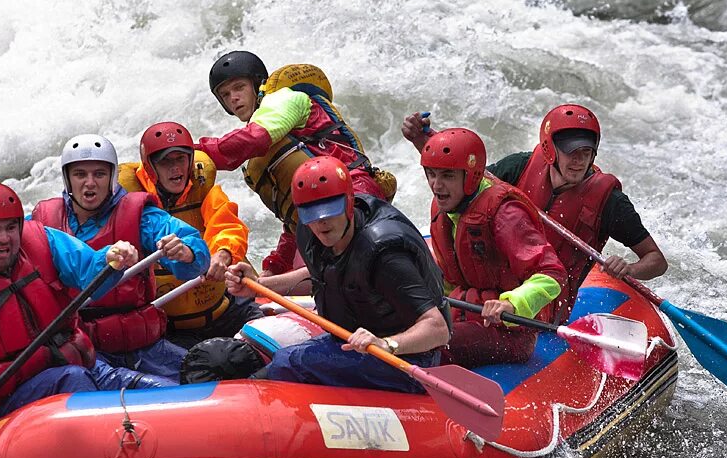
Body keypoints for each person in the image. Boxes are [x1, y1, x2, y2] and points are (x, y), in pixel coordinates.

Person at [0, 183, 176, 455]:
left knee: (166, 394)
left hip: (85, 370)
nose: (4, 238)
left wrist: (110, 258)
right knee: (72, 379)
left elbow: (91, 274)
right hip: (15, 402)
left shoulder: (43, 241)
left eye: (10, 228)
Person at [403, 105, 667, 323]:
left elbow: (656, 260)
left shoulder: (610, 202)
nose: (578, 160)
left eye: (585, 153)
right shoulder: (519, 166)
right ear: (550, 149)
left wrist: (629, 268)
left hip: (543, 298)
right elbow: (466, 184)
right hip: (493, 282)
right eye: (570, 152)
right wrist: (424, 142)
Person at [224, 156, 450, 393]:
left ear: (349, 203)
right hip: (352, 340)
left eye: (329, 211)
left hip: (405, 358)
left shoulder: (385, 254)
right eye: (312, 213)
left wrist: (386, 344)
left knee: (290, 364)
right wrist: (260, 284)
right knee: (271, 362)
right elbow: (323, 275)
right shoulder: (311, 232)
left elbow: (437, 328)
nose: (321, 222)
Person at [197, 52, 396, 275]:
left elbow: (255, 139)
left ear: (256, 83)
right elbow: (298, 214)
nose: (233, 97)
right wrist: (276, 266)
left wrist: (191, 152)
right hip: (328, 214)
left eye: (239, 87)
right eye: (225, 94)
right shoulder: (268, 145)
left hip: (357, 199)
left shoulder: (285, 98)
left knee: (345, 273)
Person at [30, 134, 210, 381]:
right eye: (80, 174)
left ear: (112, 177)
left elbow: (192, 246)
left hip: (140, 344)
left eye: (99, 174)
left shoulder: (140, 215)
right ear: (68, 179)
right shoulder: (42, 223)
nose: (90, 183)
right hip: (81, 349)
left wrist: (186, 252)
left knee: (205, 375)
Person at [416, 128, 566, 368]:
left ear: (471, 178)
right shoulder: (445, 210)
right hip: (463, 313)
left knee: (430, 345)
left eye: (447, 176)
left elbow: (552, 275)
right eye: (431, 174)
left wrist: (511, 304)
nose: (437, 185)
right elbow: (448, 281)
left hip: (509, 332)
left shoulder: (505, 214)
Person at [117, 122, 263, 349]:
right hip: (171, 328)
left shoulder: (204, 190)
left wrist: (222, 253)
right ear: (150, 167)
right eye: (165, 161)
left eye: (180, 159)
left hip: (224, 311)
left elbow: (226, 224)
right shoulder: (132, 206)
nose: (175, 168)